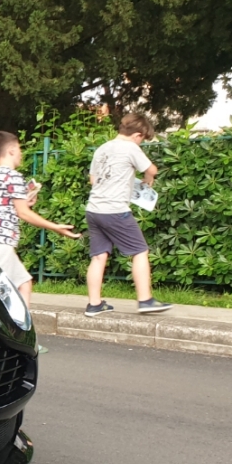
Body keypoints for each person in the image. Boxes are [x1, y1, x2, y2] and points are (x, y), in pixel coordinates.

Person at [0, 130, 79, 304]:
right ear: (11, 150)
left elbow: (3, 206)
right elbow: (23, 213)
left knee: (10, 287)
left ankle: (13, 324)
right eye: (19, 149)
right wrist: (55, 227)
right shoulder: (13, 176)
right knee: (17, 287)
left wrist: (26, 201)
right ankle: (19, 328)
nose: (21, 153)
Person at [83, 112, 172, 316]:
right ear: (138, 135)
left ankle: (94, 304)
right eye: (143, 140)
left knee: (98, 256)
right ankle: (145, 300)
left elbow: (93, 180)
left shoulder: (102, 148)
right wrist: (148, 180)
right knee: (140, 251)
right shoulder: (130, 147)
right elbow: (152, 169)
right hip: (115, 210)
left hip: (94, 209)